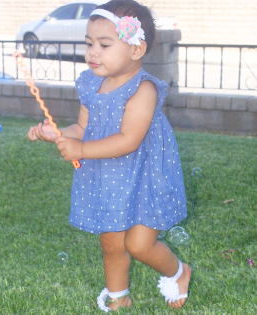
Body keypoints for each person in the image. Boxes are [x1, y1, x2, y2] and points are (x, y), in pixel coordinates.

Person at [28, 0, 191, 312]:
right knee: (112, 242)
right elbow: (83, 128)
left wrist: (83, 150)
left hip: (144, 178)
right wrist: (59, 134)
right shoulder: (91, 84)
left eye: (104, 44)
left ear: (136, 49)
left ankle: (179, 272)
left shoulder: (144, 90)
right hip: (110, 179)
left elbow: (129, 140)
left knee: (138, 244)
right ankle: (119, 295)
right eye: (89, 43)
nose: (93, 52)